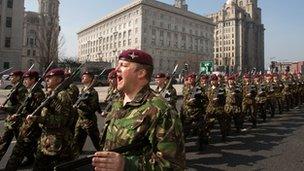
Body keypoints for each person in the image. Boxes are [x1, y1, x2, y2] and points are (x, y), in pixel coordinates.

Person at [92, 49, 185, 170]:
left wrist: (127, 164)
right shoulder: (118, 102)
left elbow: (173, 165)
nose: (116, 69)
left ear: (141, 73)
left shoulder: (160, 110)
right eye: (117, 64)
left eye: (123, 65)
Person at [26, 68, 77, 171]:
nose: (46, 79)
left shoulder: (62, 95)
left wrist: (38, 119)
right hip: (47, 138)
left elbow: (61, 120)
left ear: (58, 80)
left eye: (50, 77)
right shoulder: (51, 93)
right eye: (46, 77)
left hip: (57, 140)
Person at [5, 71, 45, 170]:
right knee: (36, 149)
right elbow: (24, 107)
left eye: (27, 79)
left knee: (18, 151)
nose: (24, 81)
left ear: (33, 80)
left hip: (31, 126)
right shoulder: (29, 91)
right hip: (26, 125)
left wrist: (19, 114)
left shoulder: (38, 94)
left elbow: (34, 112)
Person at [0, 71, 27, 161]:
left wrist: (5, 109)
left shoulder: (21, 89)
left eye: (13, 77)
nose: (10, 78)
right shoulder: (14, 88)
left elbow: (21, 106)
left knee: (21, 143)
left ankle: (30, 157)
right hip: (10, 119)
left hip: (17, 120)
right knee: (4, 141)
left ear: (19, 77)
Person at [73, 71, 101, 156]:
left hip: (89, 120)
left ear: (90, 78)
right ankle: (75, 157)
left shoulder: (93, 92)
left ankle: (104, 154)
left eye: (85, 76)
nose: (82, 77)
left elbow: (92, 108)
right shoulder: (82, 90)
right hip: (80, 119)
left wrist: (80, 106)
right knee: (77, 139)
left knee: (96, 140)